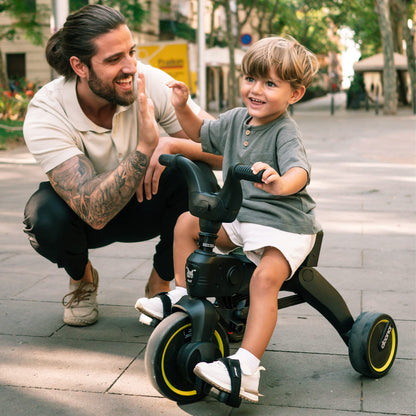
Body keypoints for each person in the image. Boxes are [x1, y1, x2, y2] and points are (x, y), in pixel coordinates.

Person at [136, 36, 321, 403]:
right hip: (243, 219)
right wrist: (182, 105)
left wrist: (281, 182)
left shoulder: (285, 131)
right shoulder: (237, 119)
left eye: (270, 84)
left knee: (265, 279)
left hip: (285, 226)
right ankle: (183, 295)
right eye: (251, 79)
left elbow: (300, 170)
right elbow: (201, 137)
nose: (256, 90)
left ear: (294, 94)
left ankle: (246, 368)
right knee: (187, 224)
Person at [22, 4, 221, 327]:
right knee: (42, 215)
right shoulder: (47, 109)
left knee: (195, 178)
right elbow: (95, 213)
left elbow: (230, 151)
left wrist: (172, 144)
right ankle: (82, 279)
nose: (130, 67)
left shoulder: (150, 81)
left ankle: (161, 283)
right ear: (80, 66)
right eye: (114, 60)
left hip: (147, 204)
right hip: (85, 219)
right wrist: (144, 148)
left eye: (131, 52)